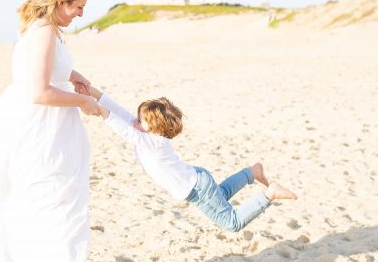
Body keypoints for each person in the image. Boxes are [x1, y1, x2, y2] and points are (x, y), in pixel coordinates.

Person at [0, 0, 103, 262]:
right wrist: (82, 101)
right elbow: (38, 91)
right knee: (61, 209)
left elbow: (49, 72)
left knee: (56, 204)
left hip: (43, 126)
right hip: (41, 130)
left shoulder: (46, 31)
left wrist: (74, 76)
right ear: (61, 3)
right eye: (78, 6)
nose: (81, 13)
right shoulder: (45, 32)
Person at [81, 85, 296, 233]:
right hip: (198, 181)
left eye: (141, 121)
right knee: (220, 194)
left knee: (232, 223)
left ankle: (270, 193)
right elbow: (119, 111)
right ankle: (252, 172)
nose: (135, 122)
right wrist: (92, 92)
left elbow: (124, 130)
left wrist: (100, 112)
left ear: (155, 128)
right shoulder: (148, 134)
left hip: (197, 188)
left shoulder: (154, 143)